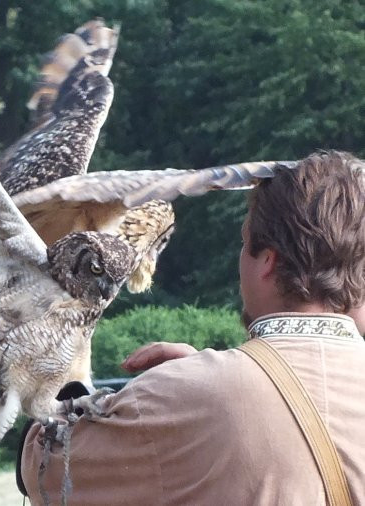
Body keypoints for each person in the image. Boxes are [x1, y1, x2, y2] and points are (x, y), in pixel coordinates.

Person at [18, 151, 365, 505]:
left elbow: (44, 467)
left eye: (245, 244)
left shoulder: (182, 393)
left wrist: (62, 362)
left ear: (267, 261)